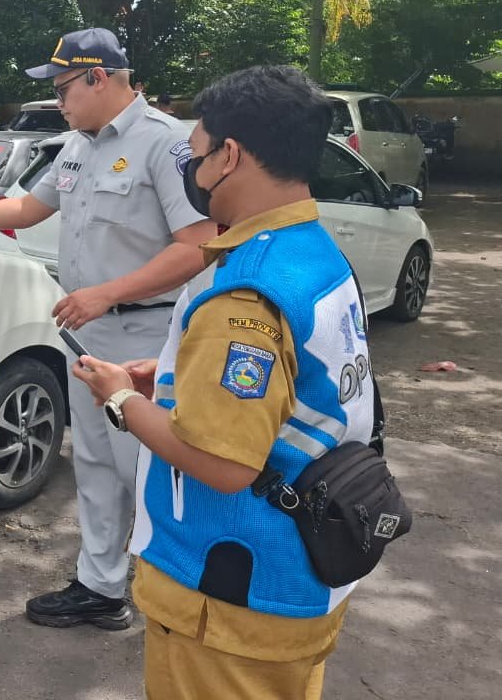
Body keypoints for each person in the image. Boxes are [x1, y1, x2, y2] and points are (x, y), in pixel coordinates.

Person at [70, 65, 366, 699]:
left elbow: (223, 463)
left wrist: (119, 399)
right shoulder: (313, 250)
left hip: (232, 591)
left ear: (230, 156)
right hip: (303, 570)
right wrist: (171, 377)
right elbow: (294, 388)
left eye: (198, 154)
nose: (193, 171)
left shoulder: (246, 292)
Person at [0, 27, 214, 629]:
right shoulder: (76, 145)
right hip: (86, 335)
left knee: (147, 470)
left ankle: (177, 598)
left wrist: (108, 293)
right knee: (96, 464)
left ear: (98, 78)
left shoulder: (165, 145)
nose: (58, 101)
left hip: (145, 336)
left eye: (63, 88)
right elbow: (29, 208)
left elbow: (199, 244)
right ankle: (101, 589)